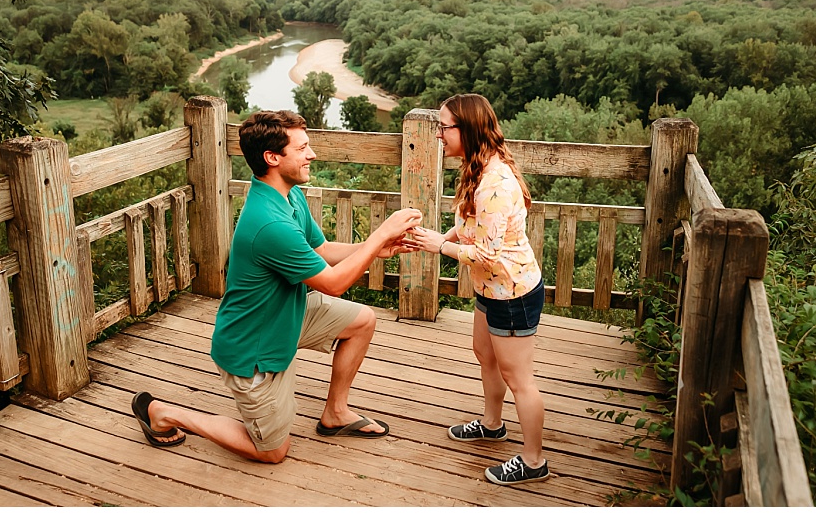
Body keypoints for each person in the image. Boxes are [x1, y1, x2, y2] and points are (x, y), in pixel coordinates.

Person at [132, 109, 422, 463]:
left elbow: (321, 250)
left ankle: (336, 413)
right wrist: (380, 234)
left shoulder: (288, 194)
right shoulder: (269, 224)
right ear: (272, 158)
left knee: (361, 320)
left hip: (285, 315)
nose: (311, 155)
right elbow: (333, 284)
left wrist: (374, 249)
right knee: (271, 452)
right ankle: (165, 414)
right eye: (301, 149)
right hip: (254, 348)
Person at [410, 93, 549, 486]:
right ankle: (492, 424)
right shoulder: (477, 168)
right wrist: (444, 234)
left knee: (519, 378)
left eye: (444, 127)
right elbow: (472, 224)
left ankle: (534, 460)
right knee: (485, 356)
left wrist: (440, 246)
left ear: (466, 130)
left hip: (512, 293)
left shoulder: (494, 184)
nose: (439, 134)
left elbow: (487, 255)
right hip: (491, 289)